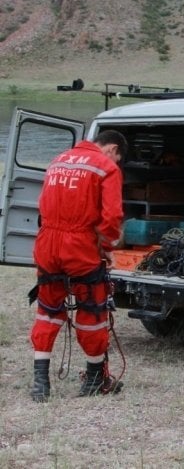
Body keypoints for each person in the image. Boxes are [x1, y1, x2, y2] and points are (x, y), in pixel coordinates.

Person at [29, 130, 128, 402]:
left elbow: (43, 204)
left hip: (48, 243)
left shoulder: (58, 160)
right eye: (118, 158)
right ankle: (95, 378)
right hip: (80, 247)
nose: (116, 162)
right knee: (92, 311)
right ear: (112, 149)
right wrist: (105, 249)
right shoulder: (106, 167)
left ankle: (40, 382)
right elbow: (112, 217)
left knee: (47, 310)